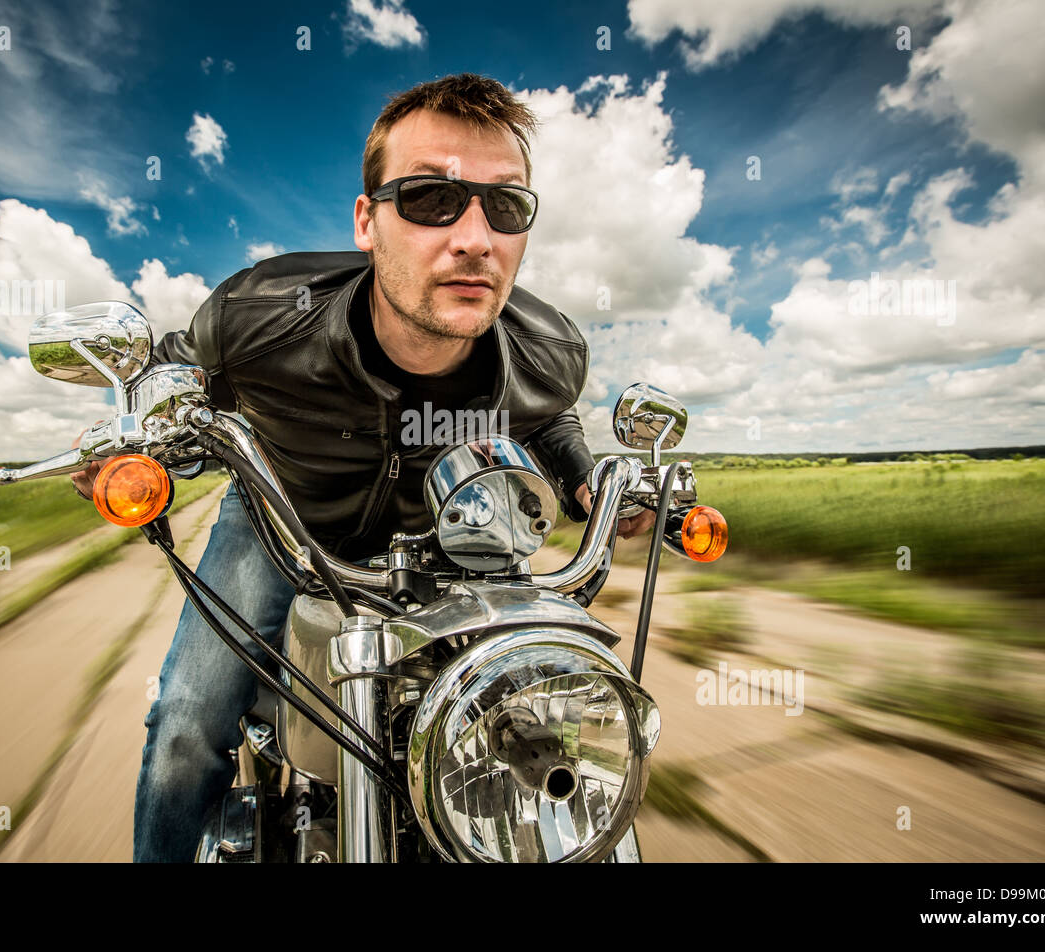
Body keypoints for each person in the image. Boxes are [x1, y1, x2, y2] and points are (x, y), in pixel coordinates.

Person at [73, 72, 655, 862]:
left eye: (506, 206)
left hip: (449, 538)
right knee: (186, 720)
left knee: (540, 714)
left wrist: (591, 481)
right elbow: (178, 369)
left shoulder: (549, 350)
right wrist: (132, 431)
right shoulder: (260, 318)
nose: (475, 239)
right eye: (428, 200)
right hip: (283, 522)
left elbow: (545, 412)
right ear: (367, 222)